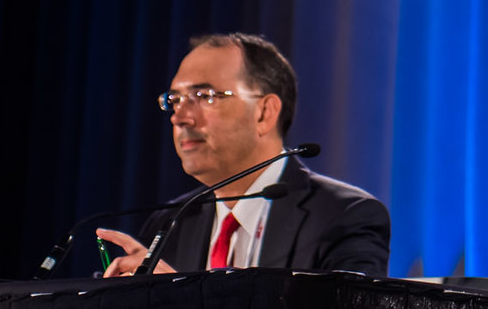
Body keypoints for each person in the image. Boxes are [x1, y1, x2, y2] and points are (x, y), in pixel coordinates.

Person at [98, 32, 390, 277]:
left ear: (264, 112)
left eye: (204, 97)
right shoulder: (171, 223)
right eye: (174, 100)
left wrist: (181, 300)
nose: (180, 117)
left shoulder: (344, 217)